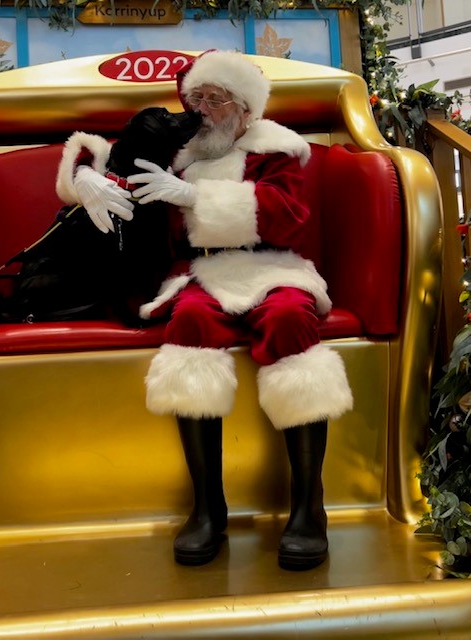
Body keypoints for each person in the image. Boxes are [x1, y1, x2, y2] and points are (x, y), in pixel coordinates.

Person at [55, 50, 353, 571]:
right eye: (196, 99)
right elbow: (111, 156)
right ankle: (208, 507)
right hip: (202, 273)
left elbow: (284, 217)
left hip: (273, 268)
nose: (203, 111)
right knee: (189, 322)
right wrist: (84, 176)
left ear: (244, 111)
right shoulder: (181, 150)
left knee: (290, 320)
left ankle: (309, 506)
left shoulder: (278, 148)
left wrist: (194, 197)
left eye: (216, 100)